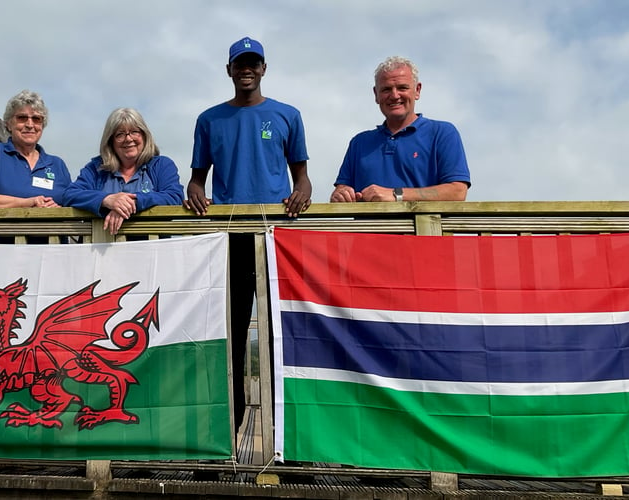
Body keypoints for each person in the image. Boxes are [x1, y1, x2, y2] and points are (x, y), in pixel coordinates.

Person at [184, 36, 312, 436]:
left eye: (253, 63)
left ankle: (283, 435)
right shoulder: (209, 120)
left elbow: (302, 177)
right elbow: (196, 180)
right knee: (233, 336)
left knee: (279, 336)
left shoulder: (288, 115)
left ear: (263, 69)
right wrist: (195, 193)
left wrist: (304, 192)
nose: (247, 69)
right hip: (231, 236)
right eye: (240, 63)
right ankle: (231, 434)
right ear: (229, 70)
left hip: (276, 238)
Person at [330, 56, 470, 203]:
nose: (394, 95)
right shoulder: (359, 143)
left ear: (417, 90)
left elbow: (457, 192)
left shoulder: (442, 133)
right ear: (376, 95)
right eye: (386, 89)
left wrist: (395, 195)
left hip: (425, 226)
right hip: (369, 227)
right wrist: (341, 195)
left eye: (402, 88)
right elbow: (341, 190)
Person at [62, 108, 183, 235]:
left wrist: (132, 203)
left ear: (144, 135)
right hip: (103, 247)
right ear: (110, 141)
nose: (128, 139)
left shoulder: (162, 165)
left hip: (153, 248)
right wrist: (107, 200)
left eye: (134, 132)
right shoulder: (96, 168)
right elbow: (70, 195)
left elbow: (174, 196)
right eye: (120, 134)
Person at [0, 89, 71, 208]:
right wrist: (28, 203)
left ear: (42, 125)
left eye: (36, 119)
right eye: (22, 118)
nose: (30, 125)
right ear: (8, 124)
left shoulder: (57, 165)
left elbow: (73, 204)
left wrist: (59, 210)